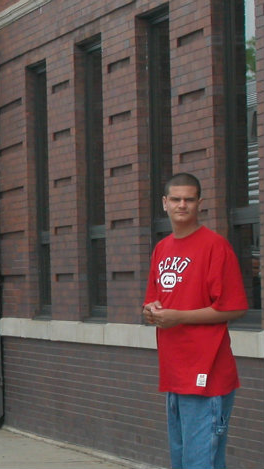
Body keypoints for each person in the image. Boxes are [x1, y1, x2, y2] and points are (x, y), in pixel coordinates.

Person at [142, 173, 247, 469]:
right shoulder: (162, 249)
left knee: (203, 463)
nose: (182, 205)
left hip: (208, 375)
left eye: (189, 199)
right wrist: (151, 312)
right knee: (183, 462)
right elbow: (152, 302)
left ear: (200, 203)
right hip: (175, 375)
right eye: (176, 199)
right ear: (165, 203)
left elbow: (233, 307)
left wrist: (178, 318)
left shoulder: (215, 246)